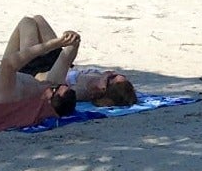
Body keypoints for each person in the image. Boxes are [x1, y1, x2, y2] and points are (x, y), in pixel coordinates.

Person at [8, 14, 138, 107]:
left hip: (34, 71)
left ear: (103, 88)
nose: (110, 72)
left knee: (27, 23)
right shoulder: (98, 79)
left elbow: (55, 84)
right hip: (57, 62)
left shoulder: (80, 92)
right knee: (38, 19)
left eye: (112, 77)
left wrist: (72, 45)